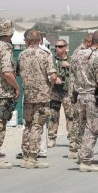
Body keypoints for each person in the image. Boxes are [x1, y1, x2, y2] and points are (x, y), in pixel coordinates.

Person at [17, 30, 57, 169]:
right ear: (40, 40)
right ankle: (33, 158)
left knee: (27, 125)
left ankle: (25, 156)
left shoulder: (22, 55)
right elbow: (52, 75)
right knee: (37, 125)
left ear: (27, 40)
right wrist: (50, 85)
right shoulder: (44, 54)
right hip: (42, 96)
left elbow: (18, 72)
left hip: (28, 95)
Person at [72, 30, 98, 172]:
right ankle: (86, 161)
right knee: (93, 128)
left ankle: (82, 156)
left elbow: (74, 72)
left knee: (82, 126)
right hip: (92, 96)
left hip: (80, 94)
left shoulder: (79, 54)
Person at [0, 20, 20, 169]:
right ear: (10, 33)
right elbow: (8, 72)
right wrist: (16, 87)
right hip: (2, 92)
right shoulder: (5, 48)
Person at [67, 32, 93, 160]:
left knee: (79, 119)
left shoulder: (81, 51)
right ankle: (74, 146)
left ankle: (77, 146)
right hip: (77, 89)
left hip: (78, 89)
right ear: (88, 43)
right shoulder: (81, 52)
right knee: (78, 120)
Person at [48, 39, 72, 148]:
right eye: (56, 46)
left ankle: (72, 138)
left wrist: (69, 66)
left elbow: (79, 72)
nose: (57, 48)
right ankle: (52, 138)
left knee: (70, 115)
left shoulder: (71, 59)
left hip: (67, 91)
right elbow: (47, 72)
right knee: (53, 114)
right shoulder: (52, 59)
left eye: (60, 46)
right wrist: (53, 78)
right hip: (55, 91)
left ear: (65, 47)